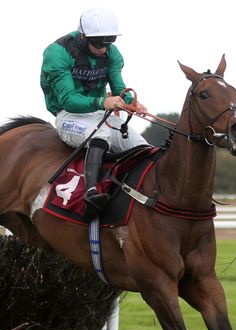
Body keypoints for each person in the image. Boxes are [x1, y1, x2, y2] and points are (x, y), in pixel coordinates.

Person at [40, 8, 150, 217]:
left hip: (100, 113)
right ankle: (91, 193)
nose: (103, 49)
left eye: (109, 42)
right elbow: (68, 100)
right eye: (98, 43)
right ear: (83, 37)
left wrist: (132, 102)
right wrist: (102, 101)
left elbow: (119, 89)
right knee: (100, 135)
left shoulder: (112, 54)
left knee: (143, 148)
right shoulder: (57, 52)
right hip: (68, 115)